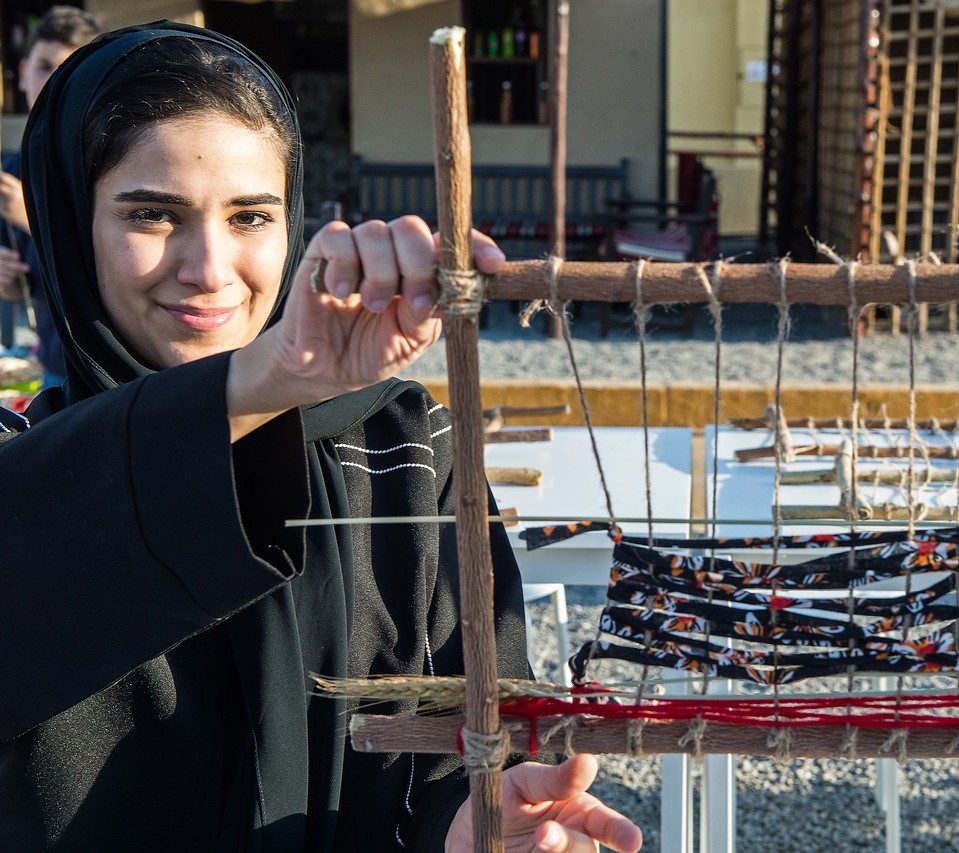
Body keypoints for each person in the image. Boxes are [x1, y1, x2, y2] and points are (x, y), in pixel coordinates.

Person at [0, 20, 640, 853]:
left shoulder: (406, 450)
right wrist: (268, 380)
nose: (210, 268)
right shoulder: (25, 464)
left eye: (250, 216)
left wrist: (477, 826)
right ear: (67, 222)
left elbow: (467, 740)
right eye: (152, 214)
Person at [0, 6, 103, 386]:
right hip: (53, 363)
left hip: (111, 368)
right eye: (44, 67)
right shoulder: (14, 169)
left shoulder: (108, 162)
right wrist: (8, 281)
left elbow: (118, 264)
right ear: (23, 72)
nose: (53, 82)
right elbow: (23, 286)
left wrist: (30, 218)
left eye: (69, 69)